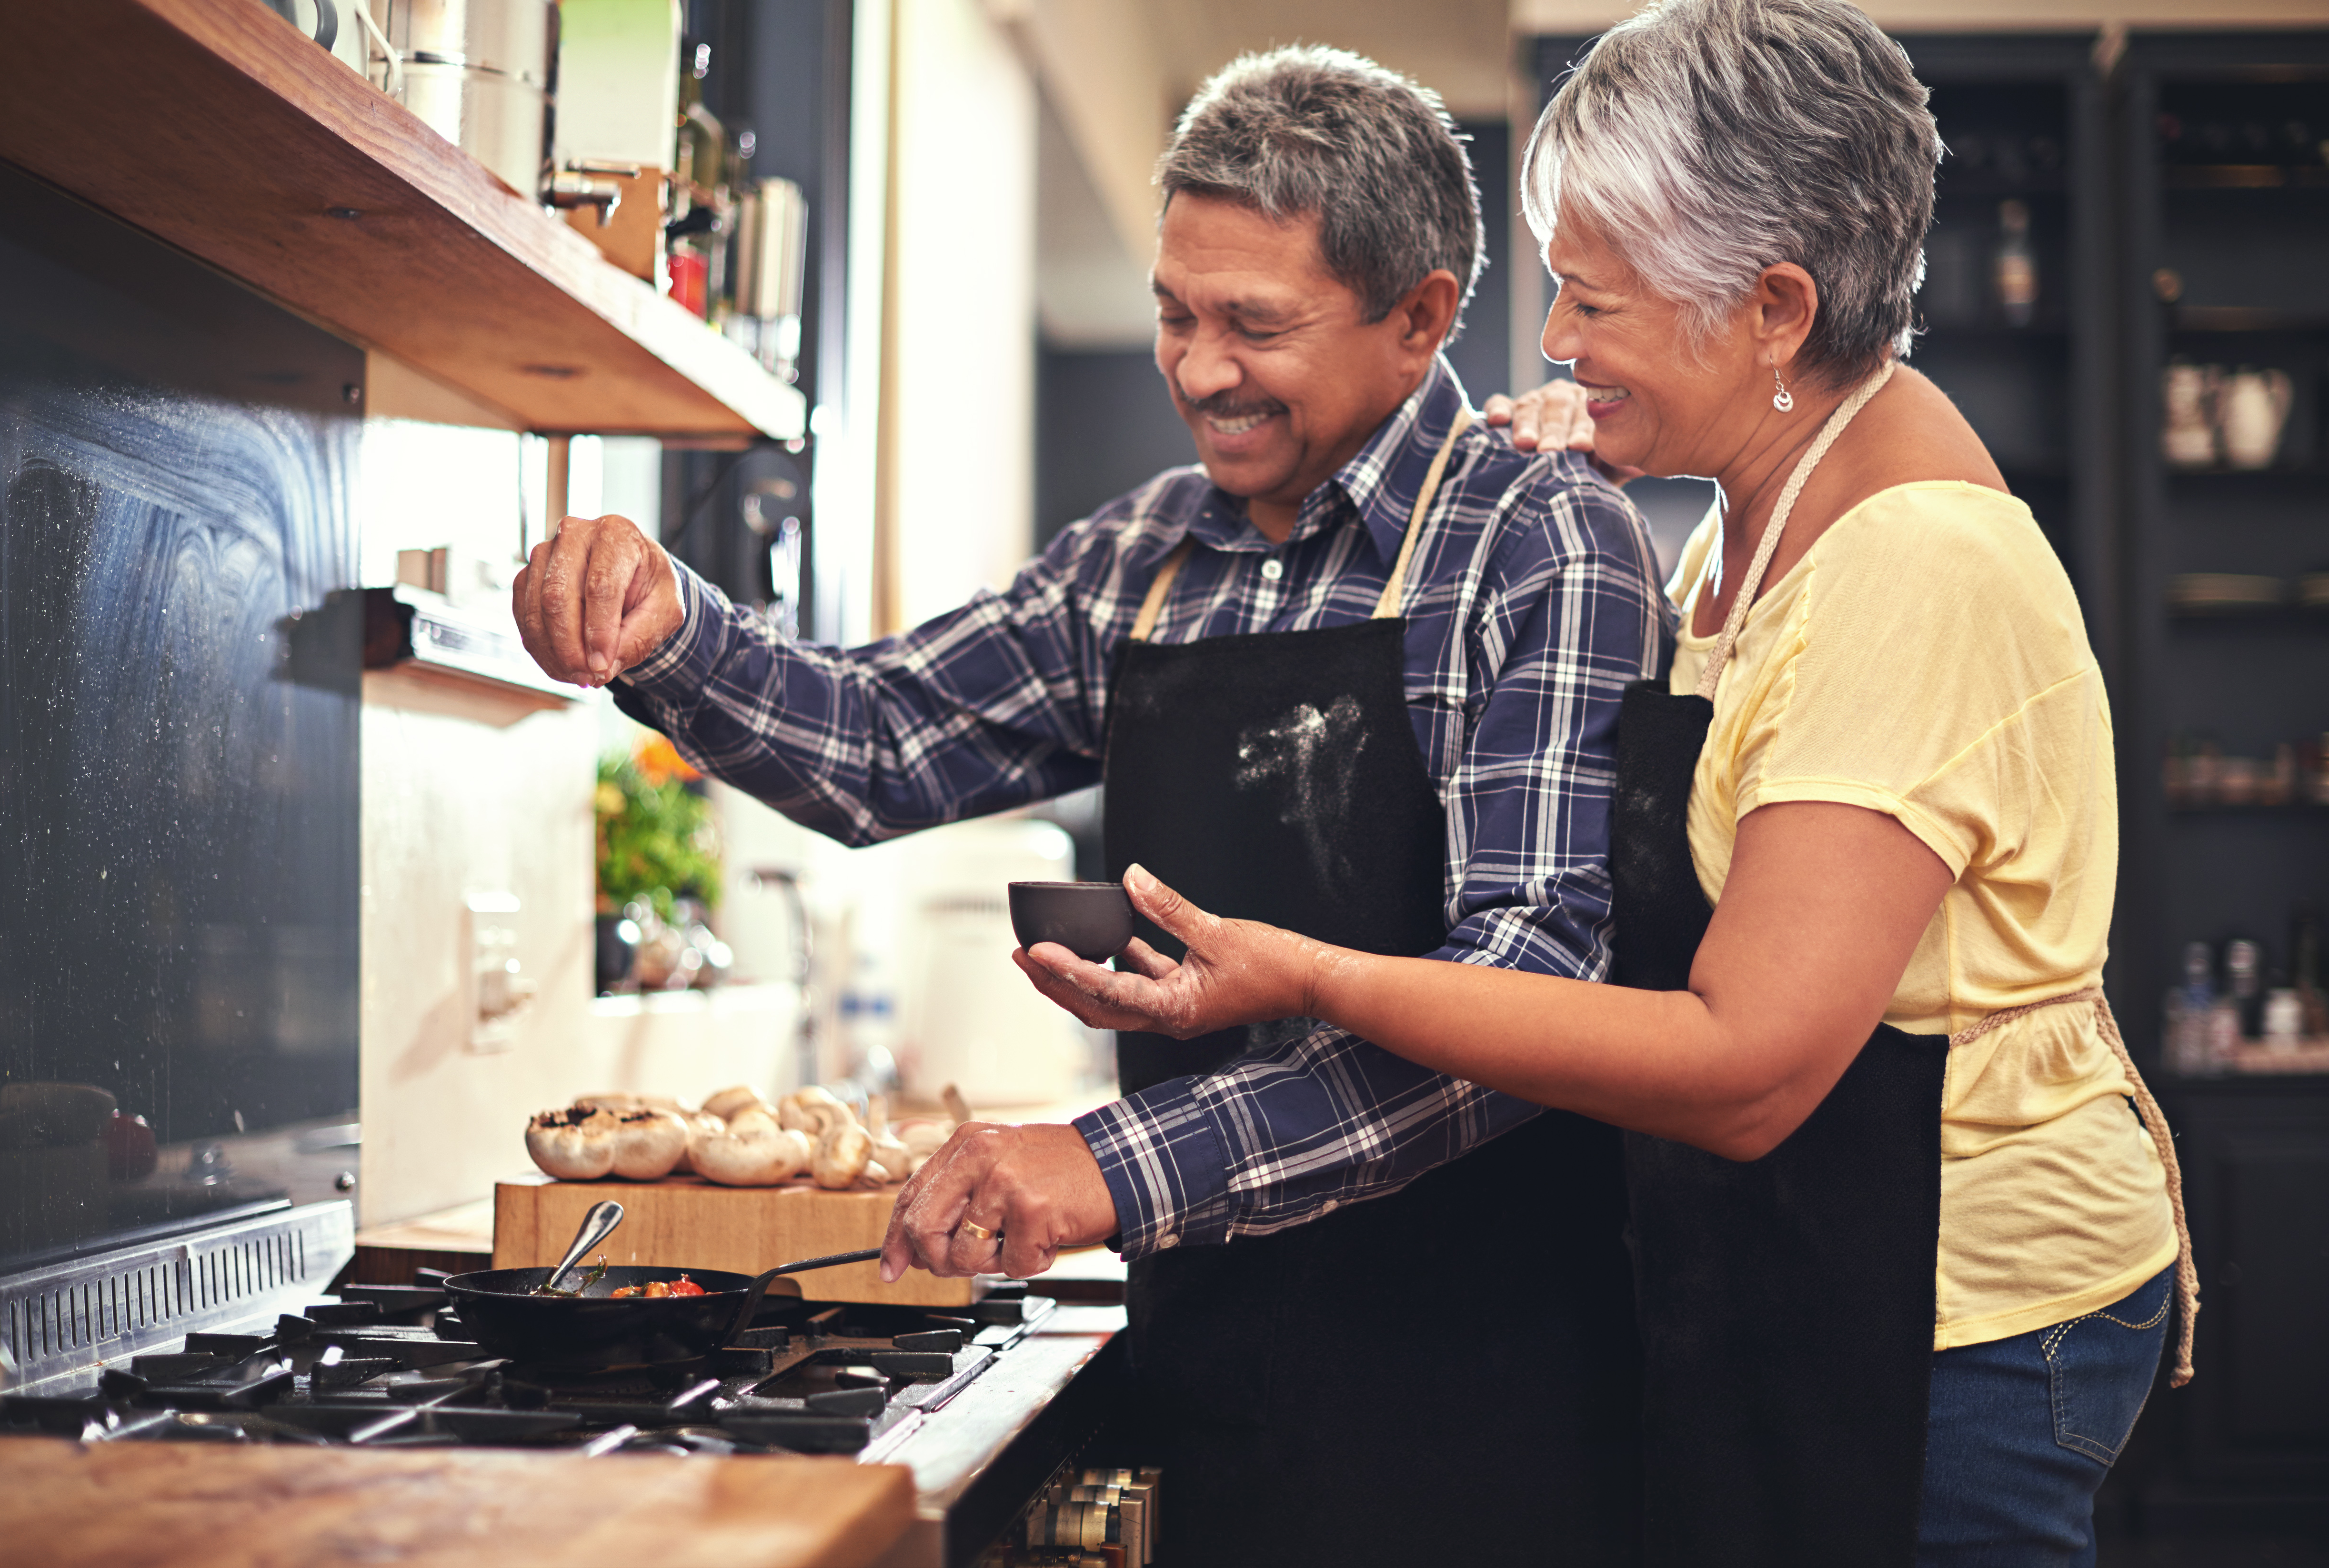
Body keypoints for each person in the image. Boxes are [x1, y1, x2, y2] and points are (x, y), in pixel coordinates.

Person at [950, 3, 2199, 1565]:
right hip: (1813, 1282)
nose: (1552, 343)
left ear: (1772, 309)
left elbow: (1746, 1065)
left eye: (1595, 301)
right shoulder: (1744, 522)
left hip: (1962, 1326)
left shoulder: (1913, 570)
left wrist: (1308, 975)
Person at [515, 46, 1666, 1565]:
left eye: (1255, 325)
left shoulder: (1542, 541)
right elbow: (880, 739)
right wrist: (669, 630)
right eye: (1175, 315)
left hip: (1482, 1395)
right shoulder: (1143, 561)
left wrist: (1113, 1166)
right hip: (1205, 1358)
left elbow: (1529, 996)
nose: (1197, 370)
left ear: (1422, 316)